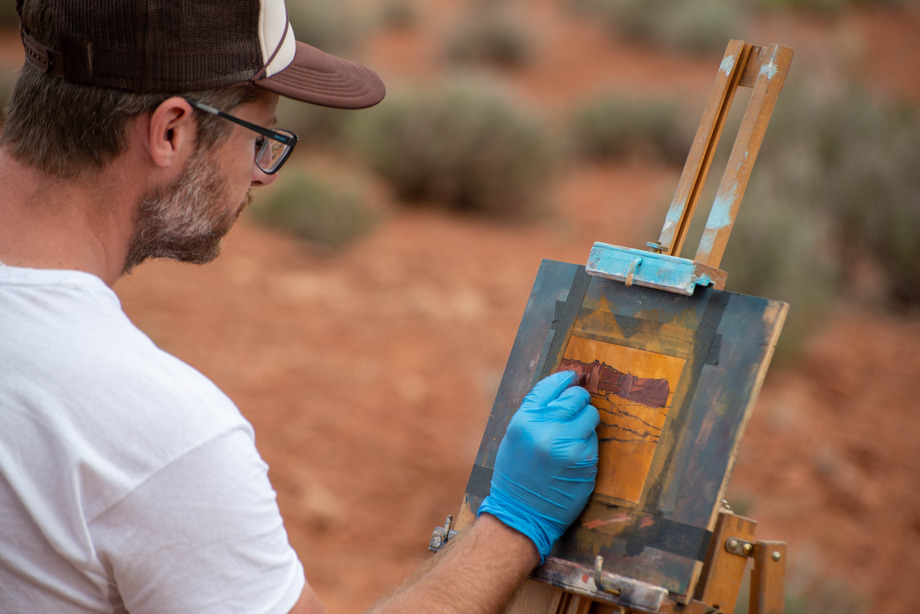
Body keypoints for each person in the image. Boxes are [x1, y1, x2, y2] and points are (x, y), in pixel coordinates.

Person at [0, 1, 600, 612]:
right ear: (171, 131)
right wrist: (514, 524)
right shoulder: (155, 434)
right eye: (261, 137)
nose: (264, 176)